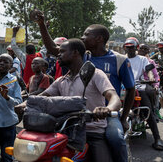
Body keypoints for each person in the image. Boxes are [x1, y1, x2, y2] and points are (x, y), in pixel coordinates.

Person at [32, 10, 134, 162]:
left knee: (116, 138)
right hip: (75, 114)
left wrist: (122, 117)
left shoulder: (119, 60)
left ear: (99, 38)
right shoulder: (83, 56)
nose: (82, 37)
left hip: (105, 114)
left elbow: (129, 90)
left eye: (86, 34)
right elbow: (54, 49)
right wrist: (42, 26)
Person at [123, 38, 163, 150]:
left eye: (132, 47)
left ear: (136, 47)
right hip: (123, 88)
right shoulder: (121, 59)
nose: (129, 49)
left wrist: (151, 78)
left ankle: (157, 139)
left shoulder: (142, 59)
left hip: (139, 87)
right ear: (124, 47)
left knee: (148, 110)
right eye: (128, 47)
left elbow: (149, 71)